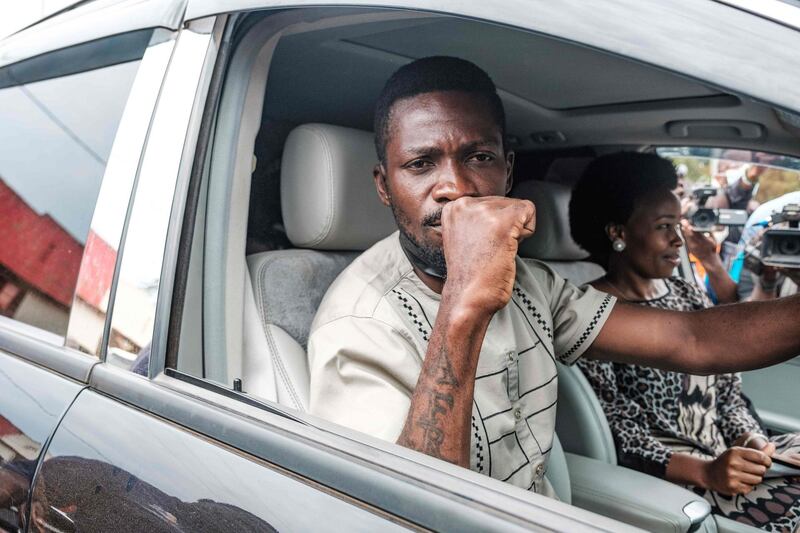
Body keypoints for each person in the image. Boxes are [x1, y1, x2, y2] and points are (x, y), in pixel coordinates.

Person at [306, 56, 800, 502]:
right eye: (420, 163)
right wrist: (465, 301)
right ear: (384, 187)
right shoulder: (359, 322)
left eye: (479, 157)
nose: (455, 189)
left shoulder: (530, 281)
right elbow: (412, 509)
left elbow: (692, 340)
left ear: (508, 170)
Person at [570, 152, 800, 531]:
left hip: (727, 458)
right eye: (664, 226)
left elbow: (727, 390)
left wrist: (755, 443)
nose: (679, 239)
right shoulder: (594, 313)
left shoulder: (685, 294)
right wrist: (707, 471)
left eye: (678, 224)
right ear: (618, 233)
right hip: (679, 481)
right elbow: (618, 431)